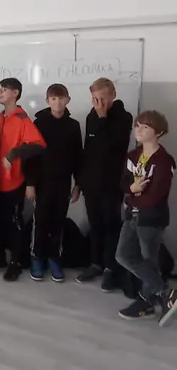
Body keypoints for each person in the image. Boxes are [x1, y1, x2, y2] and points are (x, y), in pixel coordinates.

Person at [115, 110, 177, 326]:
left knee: (149, 260)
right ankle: (166, 293)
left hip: (151, 219)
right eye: (137, 125)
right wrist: (132, 189)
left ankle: (147, 303)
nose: (139, 130)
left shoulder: (164, 161)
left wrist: (130, 197)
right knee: (123, 255)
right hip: (132, 216)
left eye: (145, 127)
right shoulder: (133, 155)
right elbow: (124, 183)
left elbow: (156, 195)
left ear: (158, 132)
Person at [0, 78, 46, 282]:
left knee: (14, 224)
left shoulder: (22, 119)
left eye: (4, 90)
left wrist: (14, 154)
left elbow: (38, 146)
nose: (0, 93)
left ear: (15, 93)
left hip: (14, 181)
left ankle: (16, 262)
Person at [76, 78, 133, 291]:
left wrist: (102, 118)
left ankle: (111, 268)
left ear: (113, 95)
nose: (98, 103)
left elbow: (110, 145)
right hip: (91, 183)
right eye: (94, 98)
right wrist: (80, 183)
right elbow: (88, 150)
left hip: (111, 183)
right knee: (95, 225)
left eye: (102, 98)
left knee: (111, 226)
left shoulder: (124, 117)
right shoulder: (91, 116)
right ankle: (95, 263)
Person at [28, 83, 83, 282]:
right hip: (42, 182)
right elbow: (31, 156)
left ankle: (54, 257)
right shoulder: (38, 124)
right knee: (41, 222)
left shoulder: (73, 125)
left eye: (61, 98)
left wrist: (78, 184)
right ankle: (37, 257)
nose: (57, 102)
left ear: (68, 100)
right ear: (48, 101)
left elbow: (78, 156)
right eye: (53, 98)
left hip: (63, 183)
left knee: (58, 222)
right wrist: (30, 183)